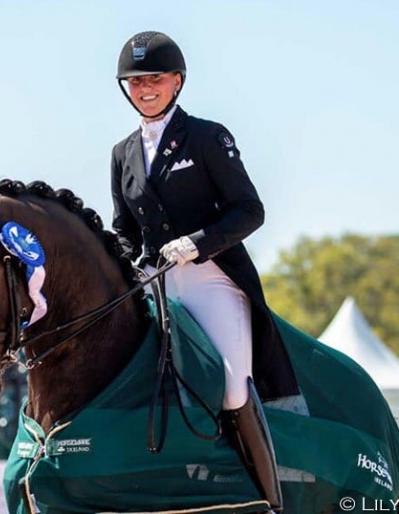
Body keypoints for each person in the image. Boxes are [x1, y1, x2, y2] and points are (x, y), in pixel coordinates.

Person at [110, 31, 294, 510]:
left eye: (154, 78)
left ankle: (268, 498)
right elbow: (125, 230)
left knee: (232, 388)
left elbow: (249, 211)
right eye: (134, 80)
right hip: (156, 285)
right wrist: (126, 262)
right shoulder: (122, 153)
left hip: (211, 277)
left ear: (177, 81)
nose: (144, 88)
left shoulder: (209, 137)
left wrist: (196, 243)